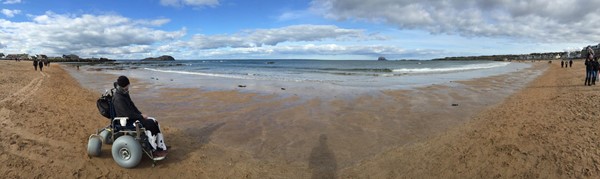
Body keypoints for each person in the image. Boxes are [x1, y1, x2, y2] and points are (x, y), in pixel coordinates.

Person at [112, 76, 168, 158]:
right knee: (150, 124)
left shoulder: (124, 94)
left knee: (154, 121)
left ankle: (160, 146)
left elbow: (133, 106)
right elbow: (127, 114)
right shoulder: (118, 98)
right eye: (127, 87)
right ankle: (153, 150)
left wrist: (141, 114)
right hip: (126, 121)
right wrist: (140, 116)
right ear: (122, 87)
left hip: (132, 117)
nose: (128, 88)